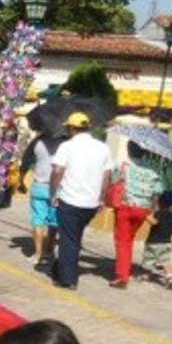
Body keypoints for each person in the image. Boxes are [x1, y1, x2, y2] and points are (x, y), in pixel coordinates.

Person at [49, 113, 111, 290]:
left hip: (70, 200)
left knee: (68, 240)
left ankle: (67, 278)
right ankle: (61, 269)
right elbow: (106, 175)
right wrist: (101, 198)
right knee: (74, 237)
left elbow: (57, 171)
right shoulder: (103, 148)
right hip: (90, 202)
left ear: (71, 128)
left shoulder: (66, 147)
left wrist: (53, 193)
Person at [109, 142, 162, 288]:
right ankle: (124, 267)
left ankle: (122, 276)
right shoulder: (153, 170)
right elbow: (157, 192)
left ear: (128, 150)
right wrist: (152, 210)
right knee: (129, 239)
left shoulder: (124, 165)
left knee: (122, 241)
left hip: (125, 206)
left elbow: (113, 181)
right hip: (142, 209)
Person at [18, 133, 63, 266]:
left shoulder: (37, 142)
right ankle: (49, 250)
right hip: (58, 188)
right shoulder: (65, 144)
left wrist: (21, 181)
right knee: (54, 222)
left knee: (38, 221)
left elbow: (25, 162)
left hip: (39, 186)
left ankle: (38, 254)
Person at [142, 190, 172, 289]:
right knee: (165, 261)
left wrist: (145, 216)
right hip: (166, 242)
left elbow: (154, 223)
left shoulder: (159, 212)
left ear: (160, 202)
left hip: (154, 241)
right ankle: (170, 277)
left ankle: (145, 276)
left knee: (149, 259)